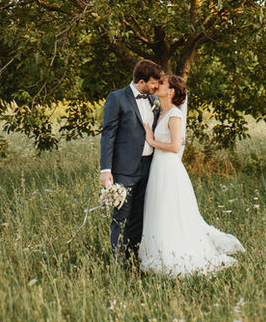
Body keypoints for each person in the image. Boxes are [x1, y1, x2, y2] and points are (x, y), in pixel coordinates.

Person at [138, 73, 245, 277]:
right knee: (158, 211)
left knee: (169, 211)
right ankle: (158, 252)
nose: (157, 86)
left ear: (171, 91)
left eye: (162, 83)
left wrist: (152, 142)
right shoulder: (160, 112)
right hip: (158, 168)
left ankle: (176, 255)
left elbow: (175, 145)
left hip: (169, 170)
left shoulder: (175, 115)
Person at [99, 59, 165, 262]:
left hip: (149, 166)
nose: (157, 86)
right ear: (142, 81)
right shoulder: (117, 98)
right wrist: (106, 170)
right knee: (121, 218)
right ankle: (118, 263)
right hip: (125, 169)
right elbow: (108, 134)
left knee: (139, 217)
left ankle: (134, 258)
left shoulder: (154, 101)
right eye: (154, 82)